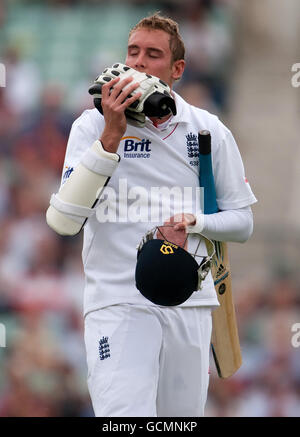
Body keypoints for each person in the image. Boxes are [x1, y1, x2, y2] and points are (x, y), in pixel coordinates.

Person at [49, 13, 257, 417]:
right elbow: (63, 221)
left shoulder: (207, 129)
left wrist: (195, 223)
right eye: (133, 52)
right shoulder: (91, 125)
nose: (139, 63)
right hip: (118, 299)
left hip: (190, 301)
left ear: (177, 69)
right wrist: (110, 137)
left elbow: (242, 222)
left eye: (153, 54)